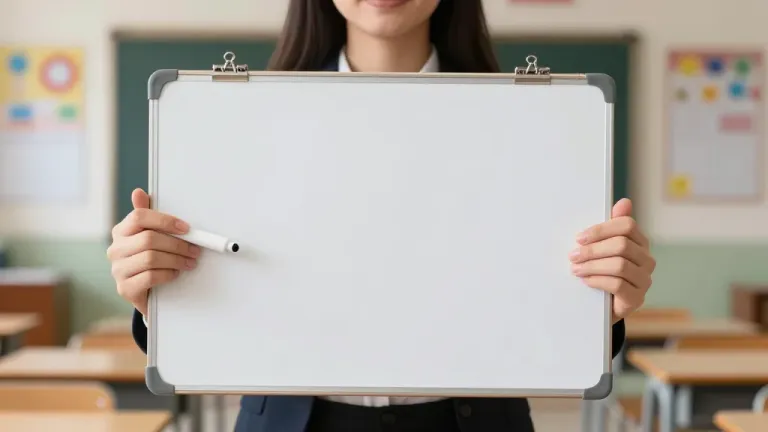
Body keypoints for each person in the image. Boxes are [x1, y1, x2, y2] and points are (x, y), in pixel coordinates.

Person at [106, 0, 657, 431]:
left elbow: (544, 300)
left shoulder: (532, 122)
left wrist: (602, 305)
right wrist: (156, 298)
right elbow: (226, 296)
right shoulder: (244, 121)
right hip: (295, 423)